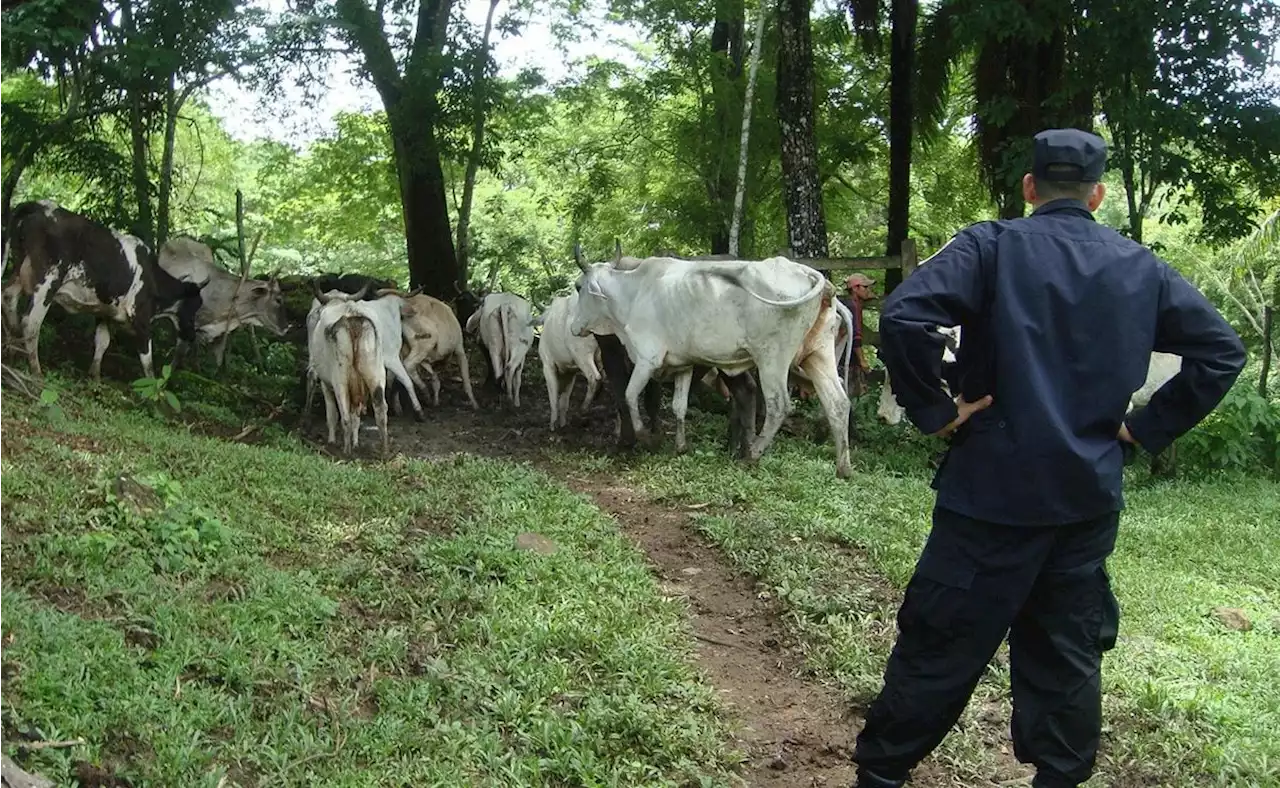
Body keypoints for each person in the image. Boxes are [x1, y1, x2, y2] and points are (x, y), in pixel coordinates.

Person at [852, 128, 1246, 788]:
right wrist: (1144, 428)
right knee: (1066, 656)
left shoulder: (992, 245)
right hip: (1083, 501)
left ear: (1030, 188)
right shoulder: (1138, 266)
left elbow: (906, 316)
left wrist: (938, 410)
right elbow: (1222, 352)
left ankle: (882, 777)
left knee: (940, 644)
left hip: (988, 497)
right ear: (1097, 195)